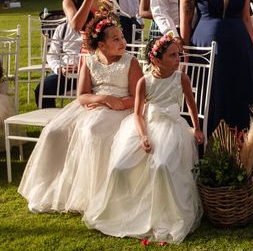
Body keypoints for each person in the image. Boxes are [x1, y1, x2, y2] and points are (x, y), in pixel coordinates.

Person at [83, 34, 203, 243]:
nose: (178, 59)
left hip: (172, 129)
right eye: (173, 55)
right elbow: (138, 114)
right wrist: (143, 136)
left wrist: (197, 128)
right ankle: (122, 211)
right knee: (120, 167)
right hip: (146, 128)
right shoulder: (143, 82)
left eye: (179, 54)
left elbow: (192, 105)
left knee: (162, 166)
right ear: (156, 60)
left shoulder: (181, 77)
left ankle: (165, 215)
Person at [19, 15, 143, 213]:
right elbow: (82, 96)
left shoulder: (131, 62)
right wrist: (103, 99)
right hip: (94, 105)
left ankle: (94, 193)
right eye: (116, 39)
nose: (123, 42)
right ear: (101, 45)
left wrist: (116, 102)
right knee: (55, 130)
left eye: (122, 37)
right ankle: (52, 187)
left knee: (93, 131)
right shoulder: (90, 61)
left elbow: (139, 97)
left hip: (122, 108)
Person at [177, 0, 253, 180]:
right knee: (213, 98)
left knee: (242, 97)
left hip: (240, 46)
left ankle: (247, 159)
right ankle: (211, 157)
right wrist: (185, 50)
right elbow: (185, 16)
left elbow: (247, 18)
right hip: (206, 45)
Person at [33, 21, 82, 108]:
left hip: (92, 75)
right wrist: (61, 68)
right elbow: (52, 56)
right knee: (43, 89)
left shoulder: (99, 27)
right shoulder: (62, 29)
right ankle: (50, 120)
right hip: (66, 74)